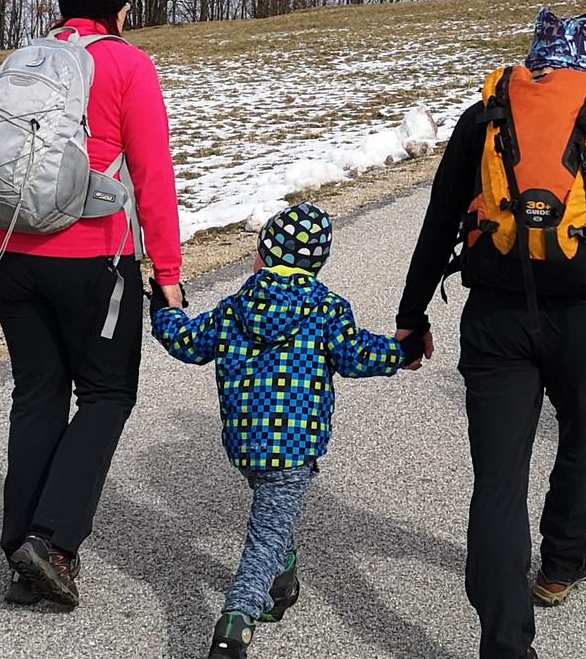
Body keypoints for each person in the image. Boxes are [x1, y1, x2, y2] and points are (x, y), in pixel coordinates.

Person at [395, 6, 586, 659]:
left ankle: (506, 644)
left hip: (497, 320)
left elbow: (439, 222)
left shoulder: (484, 120)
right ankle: (562, 563)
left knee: (499, 483)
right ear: (585, 59)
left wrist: (412, 314)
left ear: (532, 58)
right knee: (581, 435)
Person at [0, 0, 183, 607]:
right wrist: (167, 274)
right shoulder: (126, 64)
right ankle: (52, 543)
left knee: (38, 394)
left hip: (11, 261)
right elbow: (152, 177)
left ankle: (19, 549)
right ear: (119, 8)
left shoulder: (22, 64)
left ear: (62, 4)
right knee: (108, 395)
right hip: (93, 264)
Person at [150, 203, 426, 659]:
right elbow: (358, 354)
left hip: (244, 444)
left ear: (262, 255)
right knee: (265, 537)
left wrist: (165, 308)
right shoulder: (326, 309)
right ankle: (234, 624)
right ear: (317, 263)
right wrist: (404, 351)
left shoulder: (235, 307)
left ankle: (283, 584)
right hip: (294, 448)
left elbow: (187, 342)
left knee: (275, 517)